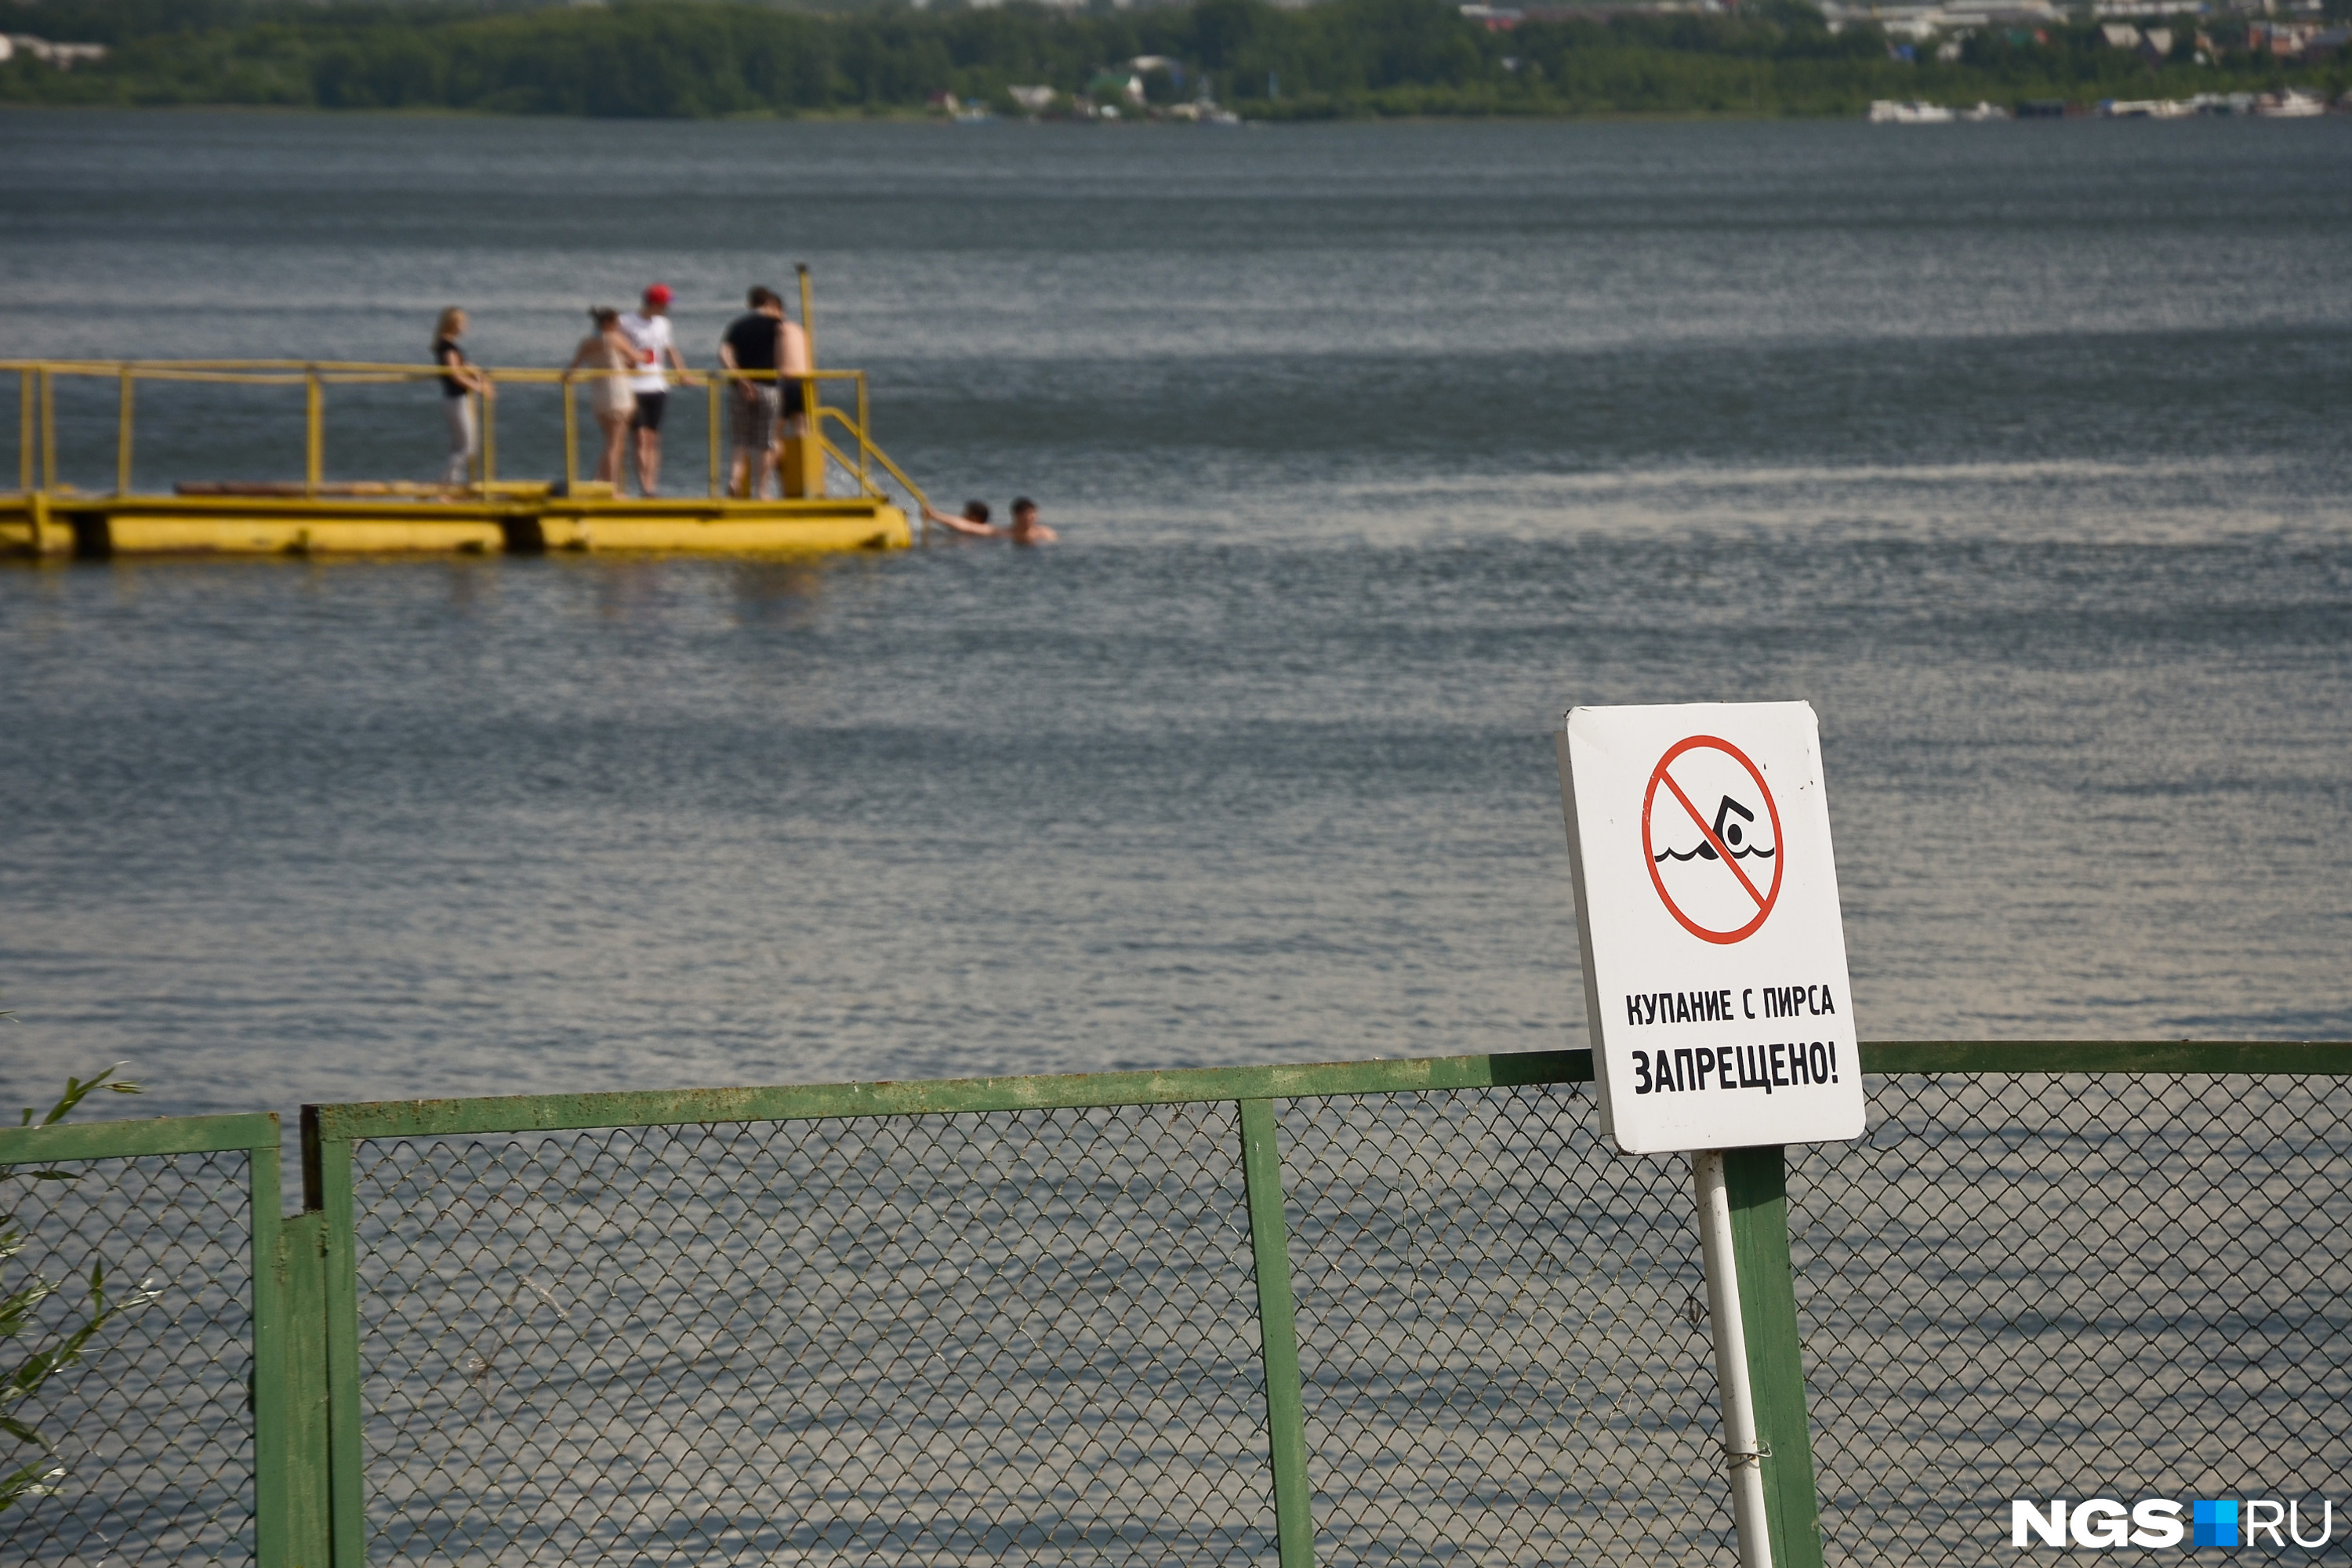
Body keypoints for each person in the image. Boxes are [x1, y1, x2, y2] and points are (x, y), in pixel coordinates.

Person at [617, 283, 687, 497]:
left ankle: (652, 485)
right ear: (655, 303)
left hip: (657, 385)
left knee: (653, 439)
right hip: (633, 386)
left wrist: (681, 372)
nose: (668, 308)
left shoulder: (663, 324)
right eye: (665, 303)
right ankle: (644, 486)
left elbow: (670, 349)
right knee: (640, 437)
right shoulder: (626, 321)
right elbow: (617, 349)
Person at [719, 288, 786, 499]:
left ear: (750, 304)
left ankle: (734, 481)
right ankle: (762, 490)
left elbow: (724, 353)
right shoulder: (778, 326)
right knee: (765, 442)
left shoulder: (738, 325)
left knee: (740, 440)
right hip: (768, 386)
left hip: (740, 389)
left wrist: (741, 378)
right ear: (770, 304)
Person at [566, 307, 639, 486]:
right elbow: (637, 358)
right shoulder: (615, 339)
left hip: (599, 395)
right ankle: (609, 486)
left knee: (611, 442)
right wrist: (645, 355)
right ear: (609, 323)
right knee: (615, 445)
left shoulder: (588, 341)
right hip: (618, 394)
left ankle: (599, 481)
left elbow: (572, 369)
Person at [432, 307, 493, 488]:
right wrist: (479, 387)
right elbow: (455, 375)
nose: (465, 326)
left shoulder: (447, 346)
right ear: (453, 324)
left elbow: (462, 366)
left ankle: (450, 487)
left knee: (458, 446)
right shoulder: (448, 348)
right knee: (467, 447)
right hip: (457, 400)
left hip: (453, 400)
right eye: (462, 323)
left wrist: (478, 373)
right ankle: (443, 486)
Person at [921, 495, 1058, 545]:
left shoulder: (1045, 533)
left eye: (1034, 514)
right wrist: (934, 516)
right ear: (1017, 515)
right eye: (1029, 514)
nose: (1032, 518)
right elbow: (966, 526)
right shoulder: (1002, 533)